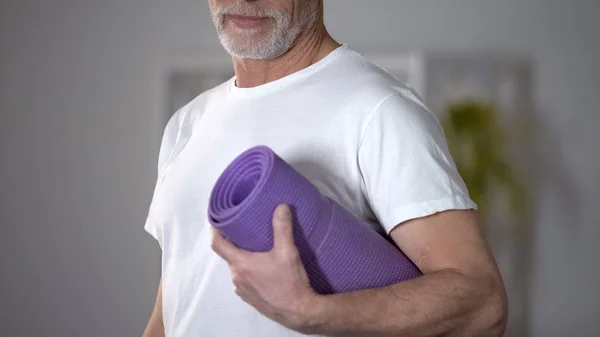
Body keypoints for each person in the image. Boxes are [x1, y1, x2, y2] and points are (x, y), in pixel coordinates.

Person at [142, 0, 509, 336]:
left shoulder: (379, 110)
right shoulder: (187, 123)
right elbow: (175, 305)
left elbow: (482, 303)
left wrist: (311, 311)